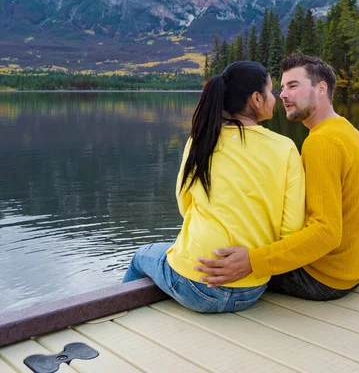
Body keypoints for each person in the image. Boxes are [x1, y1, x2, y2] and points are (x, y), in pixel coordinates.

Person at [123, 60, 305, 312]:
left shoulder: (201, 140)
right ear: (256, 98)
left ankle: (119, 320)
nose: (275, 98)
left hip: (194, 283)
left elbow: (185, 205)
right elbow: (291, 229)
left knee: (141, 256)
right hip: (251, 288)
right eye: (271, 91)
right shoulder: (285, 148)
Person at [195, 54, 359, 301]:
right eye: (281, 88)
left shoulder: (322, 142)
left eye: (293, 86)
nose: (282, 94)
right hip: (351, 271)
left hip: (321, 278)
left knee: (206, 267)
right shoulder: (346, 131)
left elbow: (326, 233)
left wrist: (253, 262)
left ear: (321, 89)